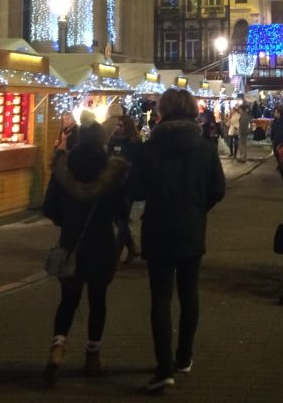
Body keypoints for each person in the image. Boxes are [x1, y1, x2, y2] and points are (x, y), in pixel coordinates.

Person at [127, 88, 226, 392]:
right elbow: (218, 188)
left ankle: (163, 366)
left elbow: (135, 190)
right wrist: (197, 207)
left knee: (160, 297)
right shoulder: (205, 148)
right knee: (189, 294)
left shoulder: (149, 148)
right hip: (191, 228)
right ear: (194, 111)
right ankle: (184, 356)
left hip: (158, 228)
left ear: (162, 111)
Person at [41, 138, 129, 387]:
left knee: (68, 300)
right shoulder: (111, 174)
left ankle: (57, 350)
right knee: (97, 300)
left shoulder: (62, 171)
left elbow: (50, 208)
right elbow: (122, 211)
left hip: (70, 244)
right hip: (101, 244)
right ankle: (93, 355)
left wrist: (66, 222)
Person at [111, 115, 143, 263]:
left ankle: (116, 256)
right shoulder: (113, 140)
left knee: (122, 219)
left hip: (127, 185)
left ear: (128, 127)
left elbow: (138, 164)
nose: (118, 128)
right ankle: (132, 248)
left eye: (121, 125)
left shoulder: (134, 143)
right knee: (117, 218)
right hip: (114, 184)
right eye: (117, 125)